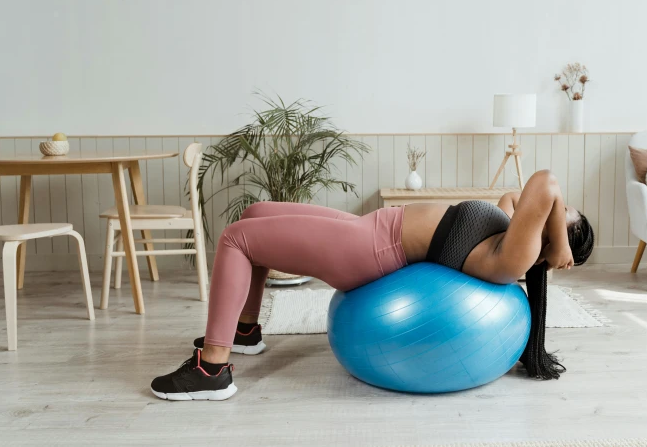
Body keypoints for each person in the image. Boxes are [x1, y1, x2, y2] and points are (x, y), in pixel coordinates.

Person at [151, 170, 594, 401]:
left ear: (550, 241)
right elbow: (521, 199)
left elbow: (544, 183)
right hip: (372, 229)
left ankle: (213, 369)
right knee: (255, 214)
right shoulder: (512, 232)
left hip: (369, 251)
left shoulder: (513, 257)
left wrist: (557, 248)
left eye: (559, 215)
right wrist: (554, 232)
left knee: (235, 239)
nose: (553, 208)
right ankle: (244, 331)